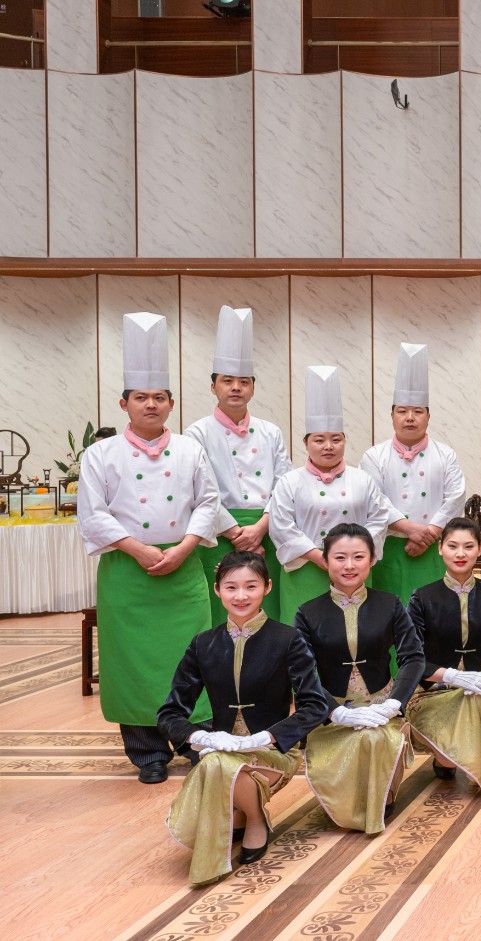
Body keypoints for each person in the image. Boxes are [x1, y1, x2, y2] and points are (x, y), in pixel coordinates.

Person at [79, 312, 223, 783]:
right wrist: (138, 549)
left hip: (183, 566)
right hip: (127, 569)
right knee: (133, 661)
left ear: (171, 404)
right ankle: (148, 753)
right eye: (141, 397)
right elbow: (93, 513)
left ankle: (194, 740)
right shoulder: (100, 454)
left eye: (159, 397)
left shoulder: (190, 449)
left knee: (192, 654)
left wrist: (184, 548)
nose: (151, 405)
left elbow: (208, 502)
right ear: (124, 404)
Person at [158, 551, 329, 884]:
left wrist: (267, 737)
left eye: (251, 586)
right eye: (231, 587)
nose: (240, 596)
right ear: (217, 590)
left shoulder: (288, 639)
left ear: (267, 587)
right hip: (221, 750)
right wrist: (202, 737)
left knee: (217, 765)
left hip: (272, 752)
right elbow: (169, 713)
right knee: (217, 761)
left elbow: (314, 705)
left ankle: (254, 818)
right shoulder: (203, 644)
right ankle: (247, 812)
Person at [295, 524, 425, 833]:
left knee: (375, 738)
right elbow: (300, 672)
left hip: (382, 708)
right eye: (340, 557)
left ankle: (381, 793)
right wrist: (334, 712)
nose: (349, 565)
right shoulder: (308, 612)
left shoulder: (390, 603)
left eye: (358, 557)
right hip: (333, 714)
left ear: (372, 560)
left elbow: (413, 657)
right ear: (325, 560)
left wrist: (394, 704)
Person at [184, 306, 294, 623]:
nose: (236, 387)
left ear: (253, 388)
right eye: (227, 380)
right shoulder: (197, 432)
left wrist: (259, 529)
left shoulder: (271, 431)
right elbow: (201, 490)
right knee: (223, 611)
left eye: (243, 381)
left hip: (267, 531)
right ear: (213, 386)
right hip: (219, 534)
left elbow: (284, 486)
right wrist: (236, 532)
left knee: (267, 609)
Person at [405, 518, 481, 791]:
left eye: (468, 546)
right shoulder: (423, 597)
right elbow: (410, 658)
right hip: (434, 690)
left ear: (480, 548)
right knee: (448, 761)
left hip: (479, 690)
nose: (460, 554)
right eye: (452, 546)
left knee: (477, 701)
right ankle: (448, 755)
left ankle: (471, 757)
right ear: (440, 548)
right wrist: (451, 675)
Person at [268, 366, 401, 618]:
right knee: (303, 631)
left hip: (354, 572)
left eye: (336, 439)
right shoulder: (289, 481)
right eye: (319, 440)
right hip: (305, 570)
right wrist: (318, 556)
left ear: (344, 441)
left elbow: (379, 519)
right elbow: (281, 526)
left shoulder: (363, 479)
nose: (328, 446)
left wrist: (356, 557)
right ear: (306, 443)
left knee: (356, 630)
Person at [362, 343, 467, 605]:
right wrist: (410, 529)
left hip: (435, 549)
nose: (410, 418)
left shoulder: (446, 454)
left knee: (434, 612)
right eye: (402, 411)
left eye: (418, 411)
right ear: (392, 415)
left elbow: (456, 497)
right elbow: (375, 501)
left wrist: (428, 534)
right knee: (389, 612)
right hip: (389, 549)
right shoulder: (373, 456)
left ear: (428, 416)